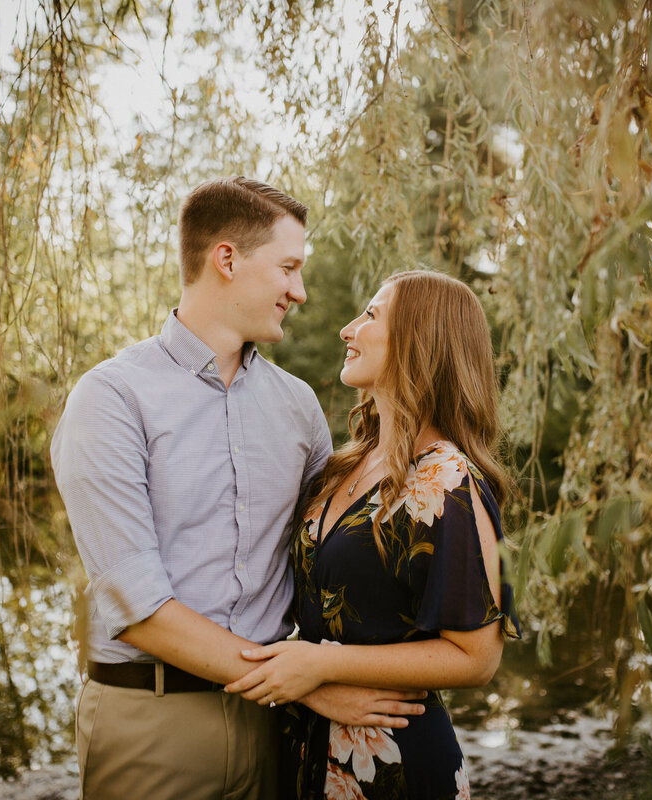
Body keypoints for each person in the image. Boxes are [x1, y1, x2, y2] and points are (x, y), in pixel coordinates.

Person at [50, 177, 427, 800]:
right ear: (226, 259)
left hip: (281, 724)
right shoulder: (111, 398)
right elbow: (137, 607)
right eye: (288, 268)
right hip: (154, 723)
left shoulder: (298, 406)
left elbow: (328, 554)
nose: (299, 292)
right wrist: (319, 685)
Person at [225, 269, 522, 799]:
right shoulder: (341, 467)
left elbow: (478, 657)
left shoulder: (448, 482)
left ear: (420, 340)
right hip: (302, 744)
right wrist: (310, 679)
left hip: (393, 764)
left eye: (370, 315)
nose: (347, 328)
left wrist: (323, 664)